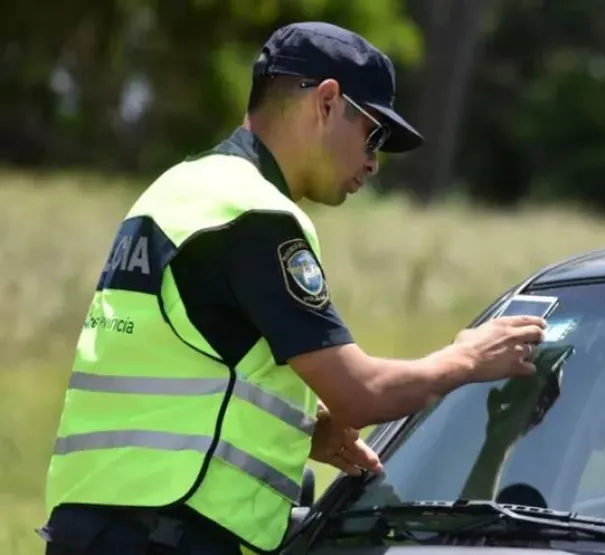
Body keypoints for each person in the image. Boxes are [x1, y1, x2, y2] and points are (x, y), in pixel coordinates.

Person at [37, 21, 547, 555]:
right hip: (170, 537)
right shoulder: (256, 215)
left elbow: (180, 369)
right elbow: (361, 393)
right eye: (373, 134)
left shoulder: (179, 191)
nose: (374, 162)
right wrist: (464, 359)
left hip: (91, 527)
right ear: (327, 102)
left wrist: (300, 432)